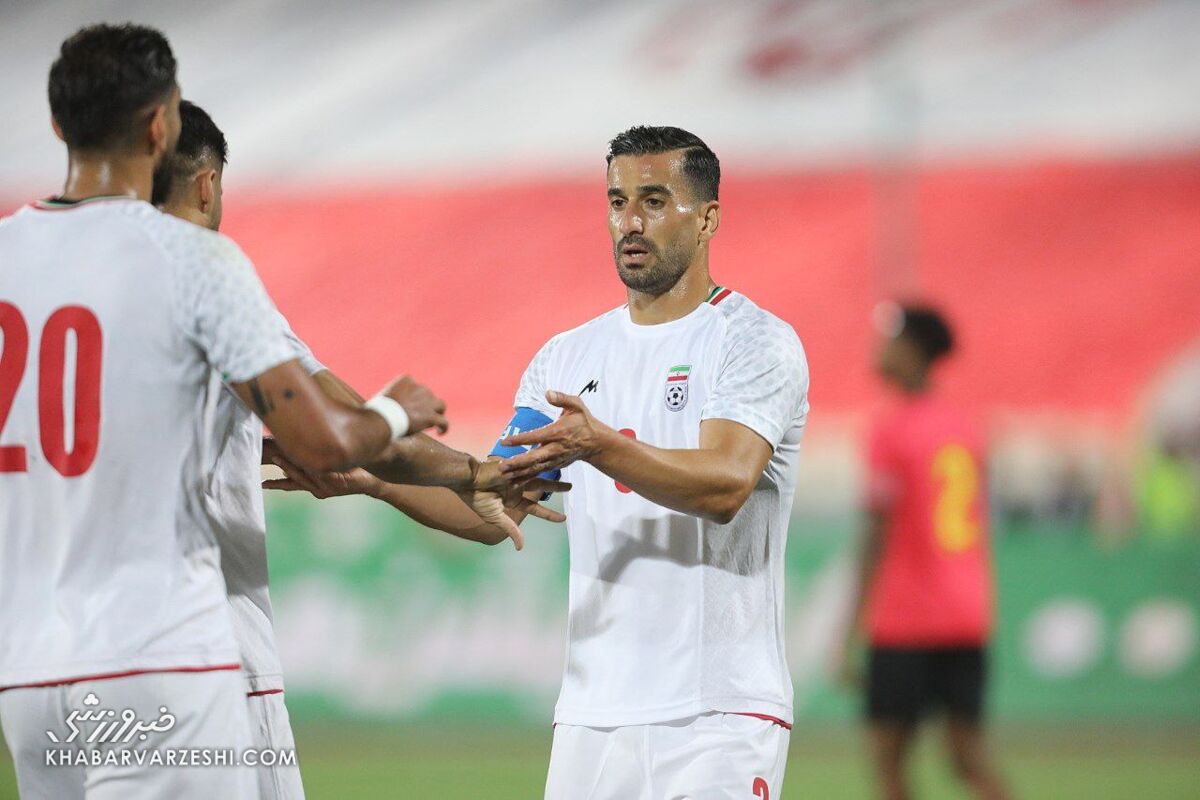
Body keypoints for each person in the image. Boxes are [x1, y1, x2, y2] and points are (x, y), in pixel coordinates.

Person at [0, 24, 486, 799]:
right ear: (161, 127)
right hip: (159, 655)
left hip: (30, 671)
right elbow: (327, 442)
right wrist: (395, 412)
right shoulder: (189, 260)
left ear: (58, 125)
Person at [151, 99, 569, 799]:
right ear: (206, 184)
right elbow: (333, 424)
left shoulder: (50, 277)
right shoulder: (204, 275)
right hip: (200, 653)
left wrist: (255, 458)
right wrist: (406, 428)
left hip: (62, 661)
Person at [492, 126, 810, 799]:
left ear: (708, 219)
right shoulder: (565, 358)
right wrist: (376, 472)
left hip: (716, 714)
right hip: (591, 714)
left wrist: (600, 446)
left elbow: (725, 482)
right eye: (616, 201)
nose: (629, 222)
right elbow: (497, 504)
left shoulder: (754, 342)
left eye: (655, 201)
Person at [837, 303, 1009, 800]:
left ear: (912, 351)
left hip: (906, 618)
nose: (879, 349)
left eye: (889, 340)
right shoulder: (965, 427)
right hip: (966, 612)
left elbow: (875, 537)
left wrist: (847, 632)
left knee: (889, 764)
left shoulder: (890, 430)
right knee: (969, 759)